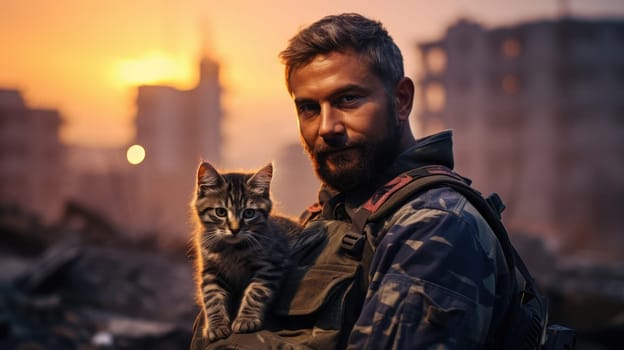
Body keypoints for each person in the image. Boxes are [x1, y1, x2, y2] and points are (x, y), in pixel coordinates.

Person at [190, 12, 514, 349]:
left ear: (401, 100)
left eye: (348, 99)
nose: (327, 127)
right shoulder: (335, 215)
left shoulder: (435, 224)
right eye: (309, 109)